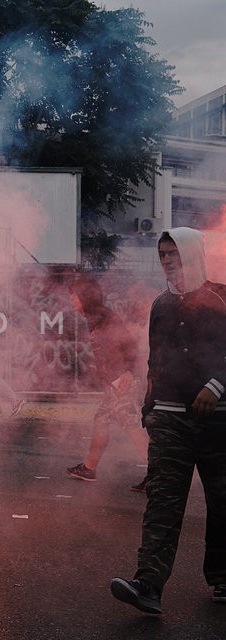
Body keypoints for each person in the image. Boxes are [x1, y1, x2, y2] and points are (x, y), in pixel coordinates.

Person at [111, 228, 226, 614]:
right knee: (162, 502)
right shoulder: (160, 304)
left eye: (173, 253)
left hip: (219, 423)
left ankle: (223, 576)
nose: (167, 261)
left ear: (192, 254)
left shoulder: (221, 297)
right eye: (162, 254)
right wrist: (150, 408)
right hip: (169, 420)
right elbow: (155, 359)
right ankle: (148, 584)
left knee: (223, 501)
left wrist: (216, 386)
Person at [65, 277, 148, 488]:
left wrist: (128, 372)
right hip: (114, 383)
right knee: (101, 421)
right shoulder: (94, 318)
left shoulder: (104, 318)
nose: (71, 299)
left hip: (121, 383)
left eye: (74, 295)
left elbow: (129, 345)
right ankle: (89, 468)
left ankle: (158, 475)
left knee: (131, 426)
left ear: (85, 296)